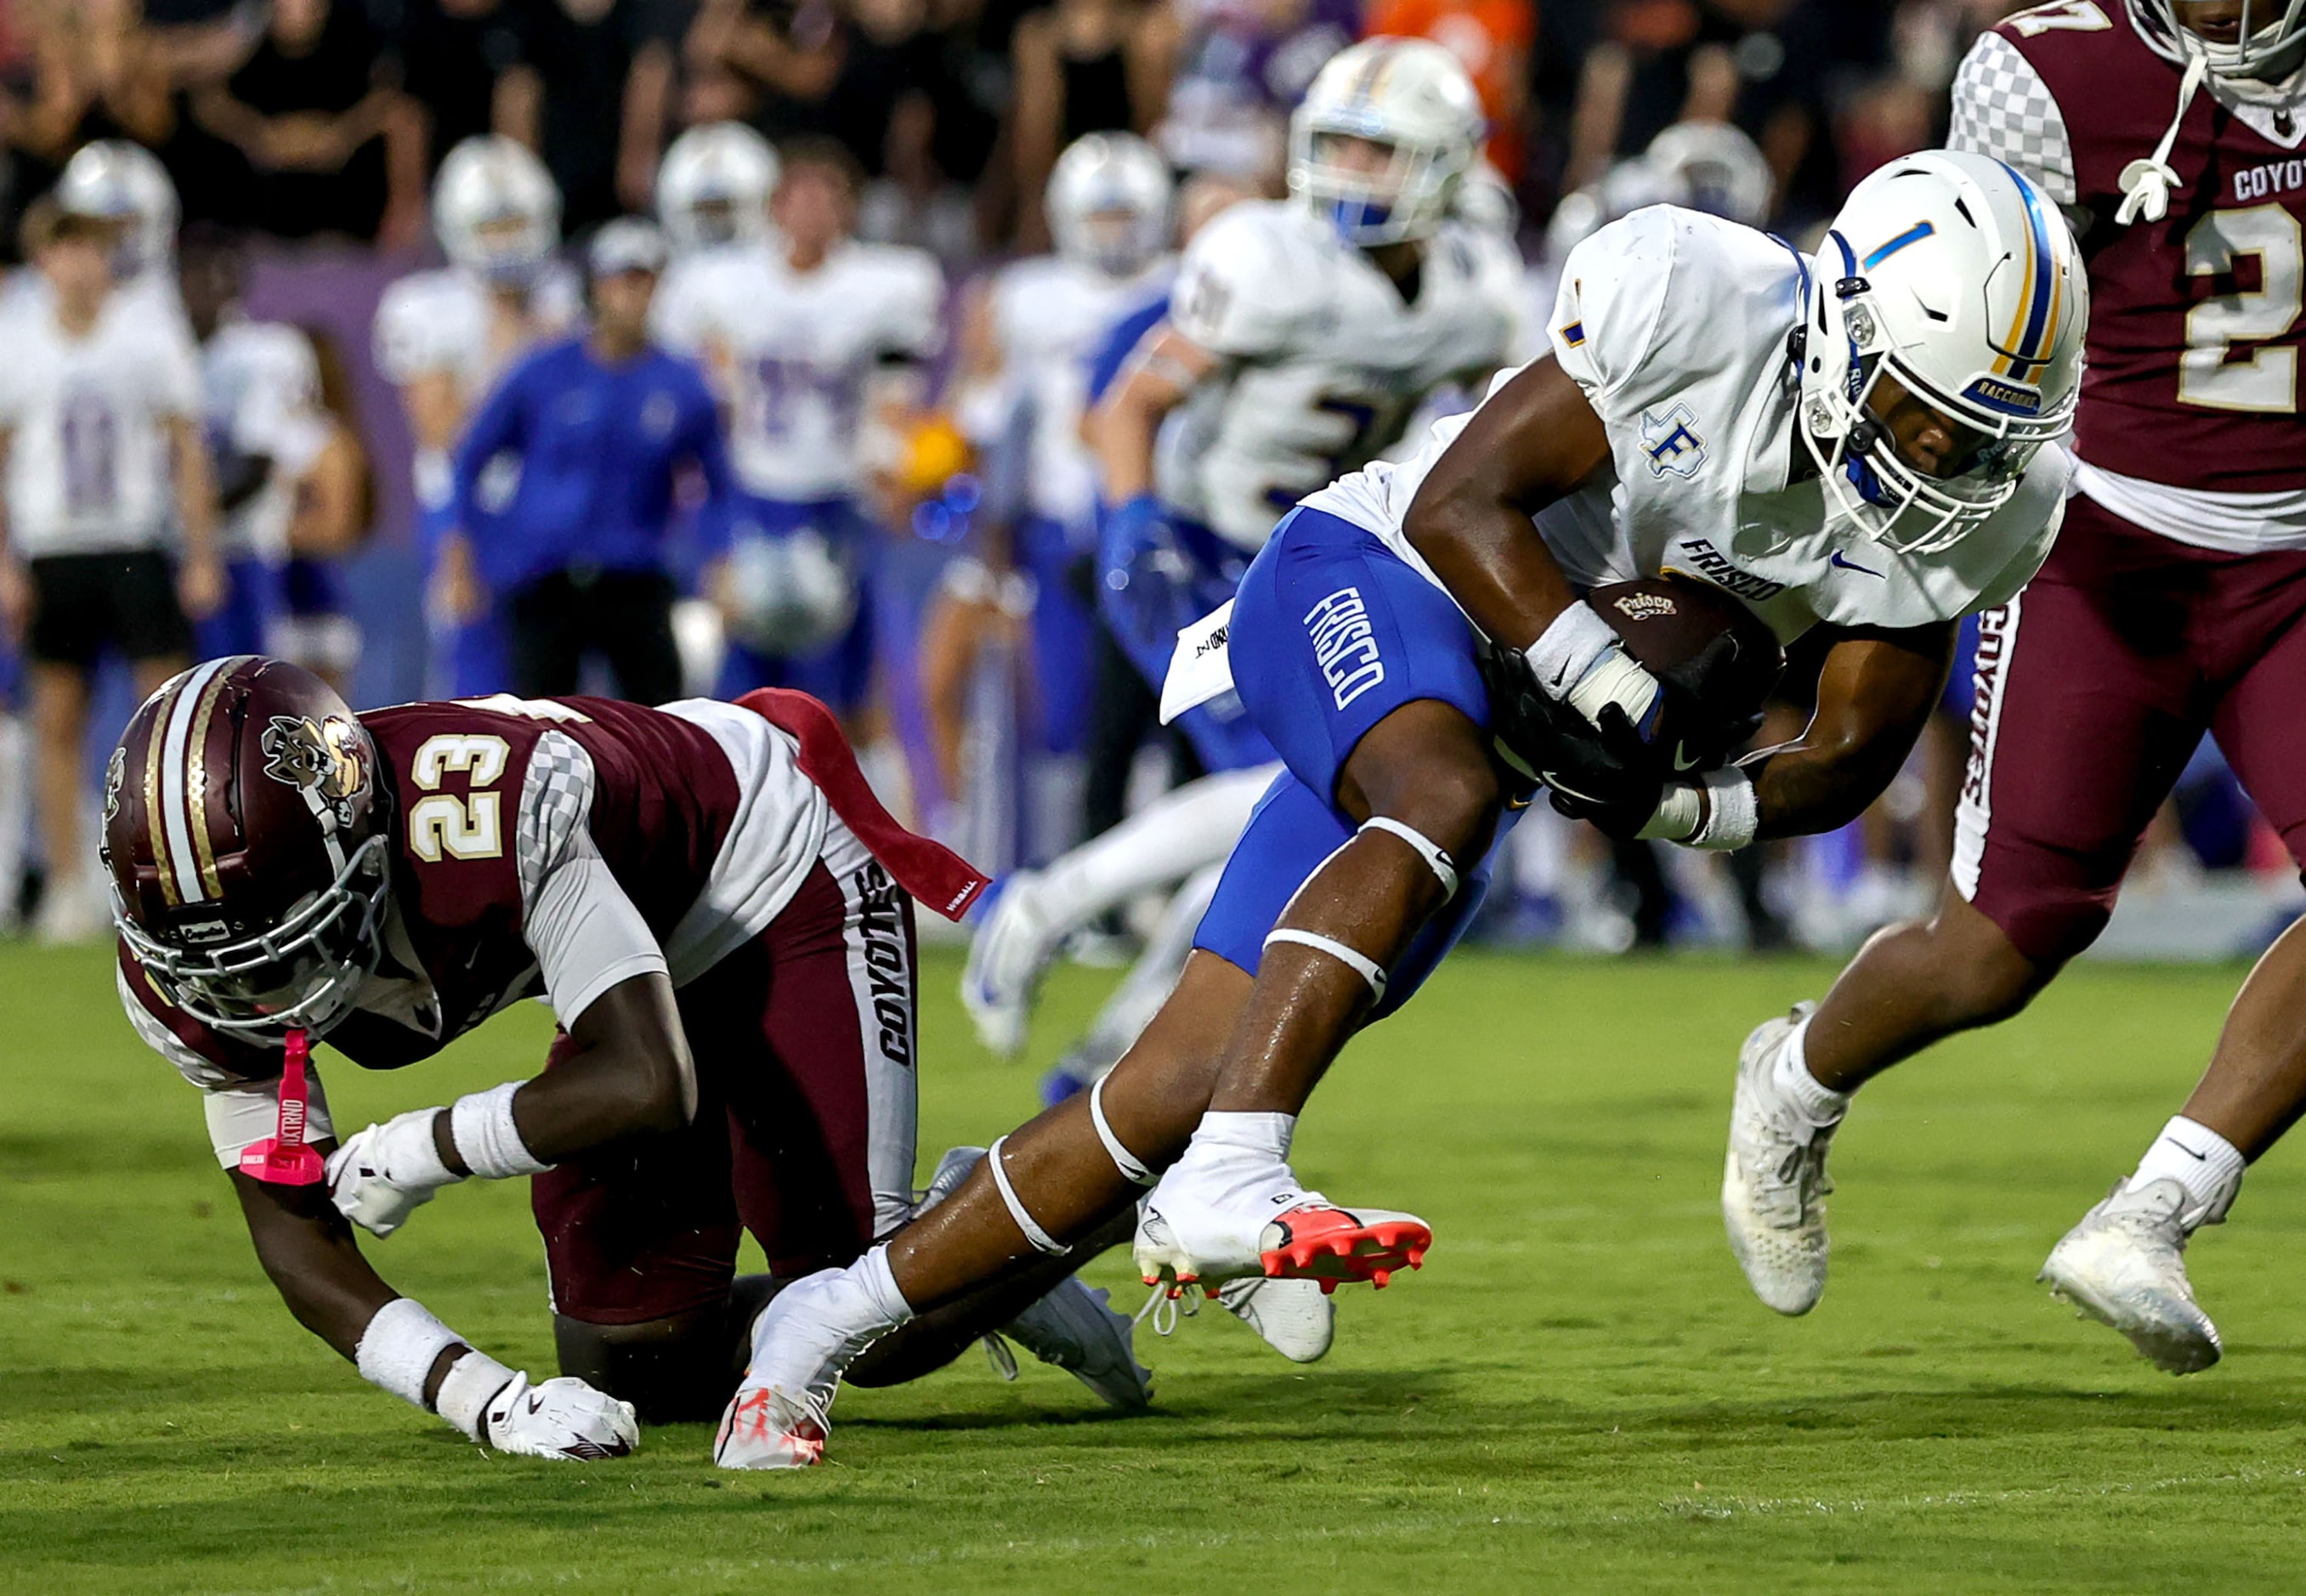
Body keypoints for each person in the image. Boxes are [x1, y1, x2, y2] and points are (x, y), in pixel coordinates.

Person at [719, 145, 2090, 1468]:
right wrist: (1596, 676)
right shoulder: (1700, 299)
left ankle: (816, 1328)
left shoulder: (1982, 500)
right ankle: (1235, 1170)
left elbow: (1848, 751)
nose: (1947, 458)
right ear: (1845, 320)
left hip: (1489, 728)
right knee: (1429, 804)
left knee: (1169, 1086)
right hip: (1370, 569)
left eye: (1980, 432)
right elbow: (1458, 503)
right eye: (1925, 411)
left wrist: (1666, 803)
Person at [105, 657, 1153, 1463]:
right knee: (636, 1360)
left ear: (361, 841)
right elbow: (294, 1243)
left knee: (857, 1316)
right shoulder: (193, 969)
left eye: (286, 931)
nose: (255, 989)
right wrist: (488, 1403)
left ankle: (1107, 1196)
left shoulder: (490, 809)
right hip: (626, 953)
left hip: (760, 874)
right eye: (216, 954)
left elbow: (644, 1083)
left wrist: (418, 1150)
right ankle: (978, 1240)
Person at [1718, 0, 2306, 1375]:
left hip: (2292, 563)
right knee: (1998, 945)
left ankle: (2153, 1207)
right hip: (2102, 550)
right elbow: (1986, 319)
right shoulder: (2046, 70)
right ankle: (1793, 1080)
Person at [961, 39, 1521, 1069]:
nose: (1352, 177)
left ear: (1445, 165)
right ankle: (1042, 912)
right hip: (1190, 543)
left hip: (1310, 556)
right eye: (1341, 149)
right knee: (1291, 787)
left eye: (1381, 154)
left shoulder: (1471, 295)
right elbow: (1127, 406)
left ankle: (1104, 1052)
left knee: (1292, 812)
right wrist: (1133, 532)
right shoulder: (1266, 257)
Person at [654, 137, 943, 735]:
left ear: (848, 209)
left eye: (826, 197)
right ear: (774, 208)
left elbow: (898, 395)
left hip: (841, 500)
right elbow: (697, 397)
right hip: (753, 495)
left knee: (841, 696)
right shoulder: (723, 283)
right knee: (738, 698)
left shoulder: (884, 284)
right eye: (799, 197)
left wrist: (893, 469)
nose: (811, 211)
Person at [940, 131, 1177, 858]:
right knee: (1067, 714)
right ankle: (1068, 867)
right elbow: (982, 417)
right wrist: (990, 533)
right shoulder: (1025, 297)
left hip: (1156, 522)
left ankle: (1148, 873)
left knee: (1169, 715)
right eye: (1099, 216)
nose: (1112, 232)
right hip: (1055, 530)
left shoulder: (1179, 283)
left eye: (1124, 215)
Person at [0, 188, 220, 946]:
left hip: (133, 541)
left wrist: (200, 552)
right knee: (56, 718)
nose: (79, 263)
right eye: (65, 248)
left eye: (91, 247)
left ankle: (170, 879)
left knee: (163, 723)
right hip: (53, 544)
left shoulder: (146, 332)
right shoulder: (17, 337)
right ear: (42, 260)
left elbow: (186, 448)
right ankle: (68, 882)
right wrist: (4, 564)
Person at [452, 218, 730, 705]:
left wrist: (721, 561)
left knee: (660, 725)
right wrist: (463, 552)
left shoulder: (682, 385)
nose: (633, 294)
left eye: (645, 280)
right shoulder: (542, 372)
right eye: (622, 279)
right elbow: (470, 459)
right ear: (597, 286)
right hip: (545, 576)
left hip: (634, 576)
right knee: (539, 725)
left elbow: (719, 483)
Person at [373, 134, 579, 699]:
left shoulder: (567, 295)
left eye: (515, 224)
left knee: (556, 680)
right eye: (492, 227)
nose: (506, 242)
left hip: (555, 505)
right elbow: (443, 432)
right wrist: (518, 345)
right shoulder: (423, 304)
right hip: (468, 508)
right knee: (475, 681)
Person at [179, 226, 337, 665]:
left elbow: (256, 465)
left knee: (244, 690)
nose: (202, 286)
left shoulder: (265, 353)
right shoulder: (157, 350)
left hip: (245, 548)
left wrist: (185, 520)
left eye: (213, 273)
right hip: (176, 549)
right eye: (190, 273)